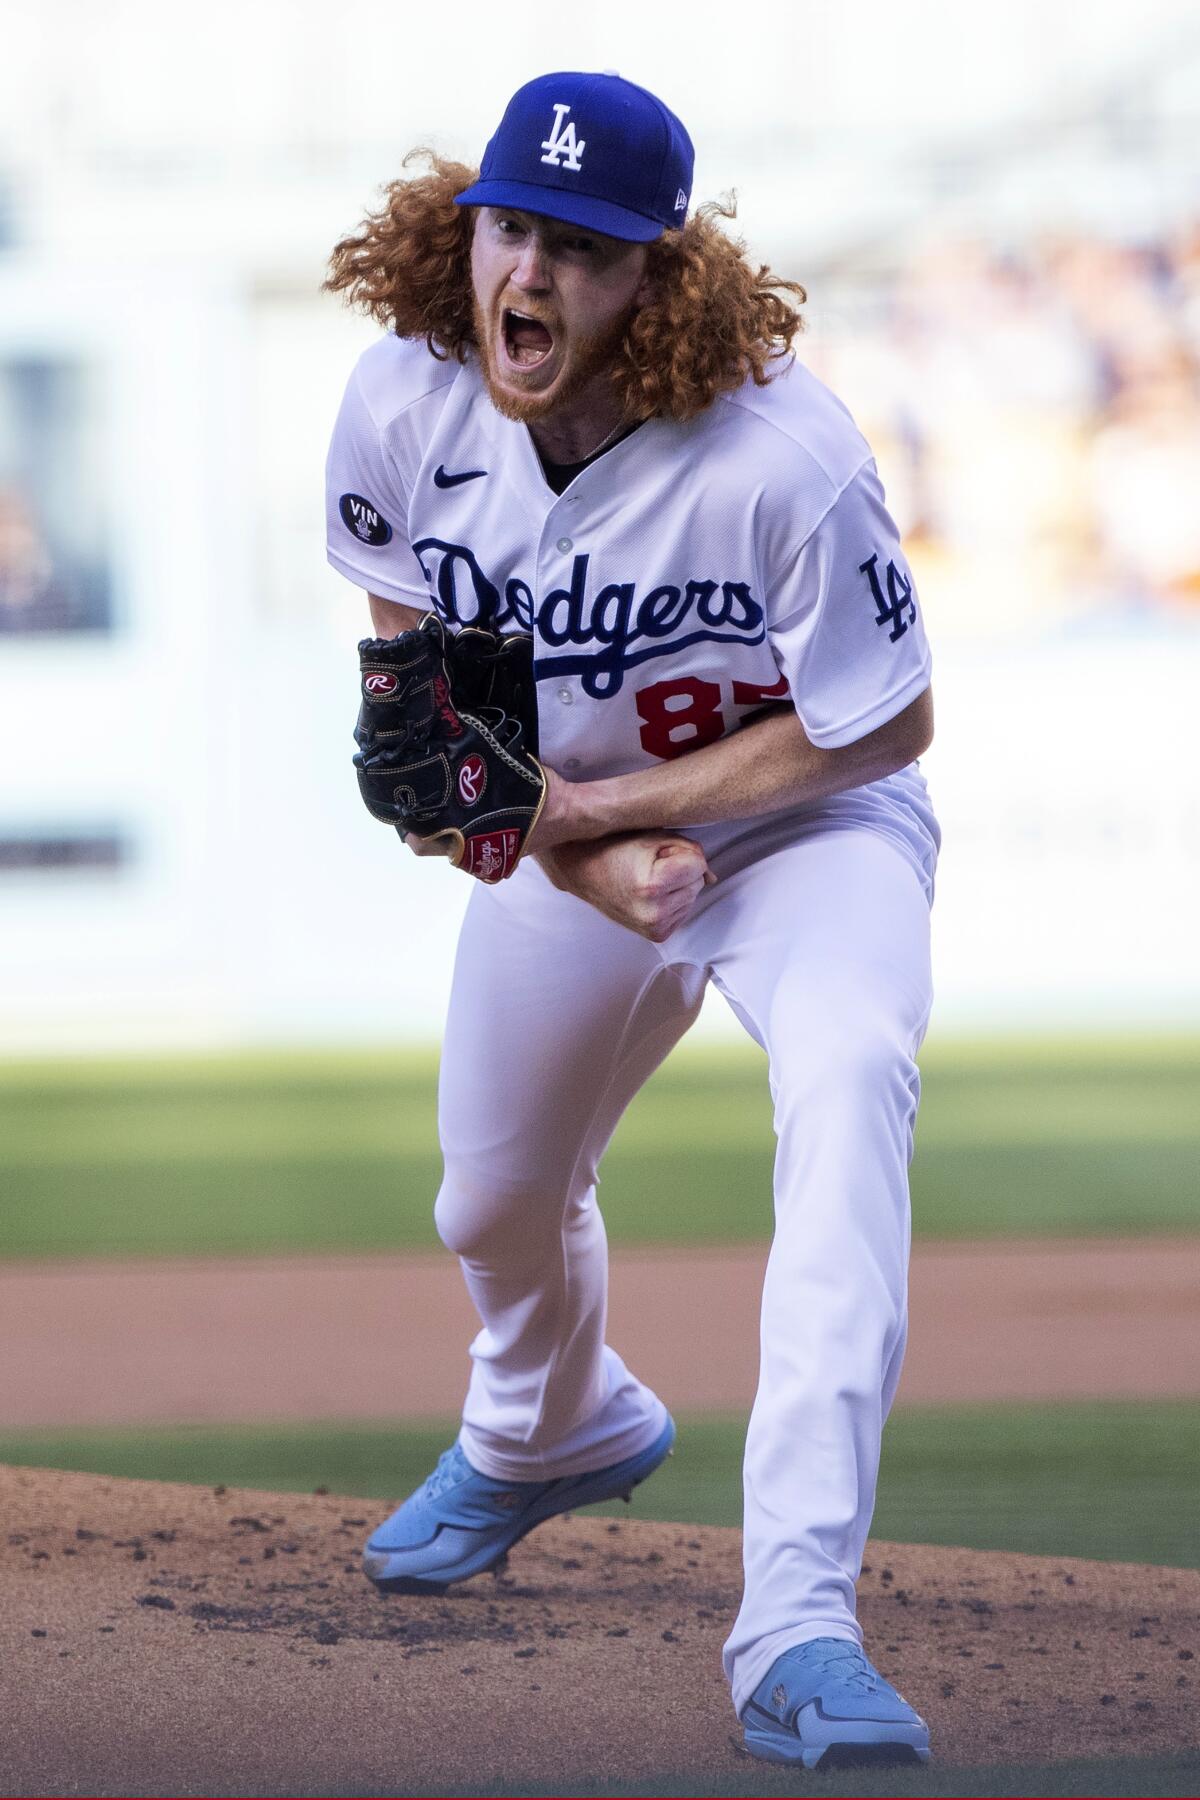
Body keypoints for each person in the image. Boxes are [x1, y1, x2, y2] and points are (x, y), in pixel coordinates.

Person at [324, 69, 939, 1771]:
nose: (531, 277)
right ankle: (551, 1421)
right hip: (581, 832)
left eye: (583, 250)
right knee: (494, 1196)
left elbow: (883, 721)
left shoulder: (782, 450)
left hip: (813, 832)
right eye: (509, 228)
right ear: (464, 234)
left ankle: (798, 1623)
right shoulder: (402, 407)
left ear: (657, 280)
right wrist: (587, 855)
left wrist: (619, 819)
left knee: (846, 1089)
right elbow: (422, 754)